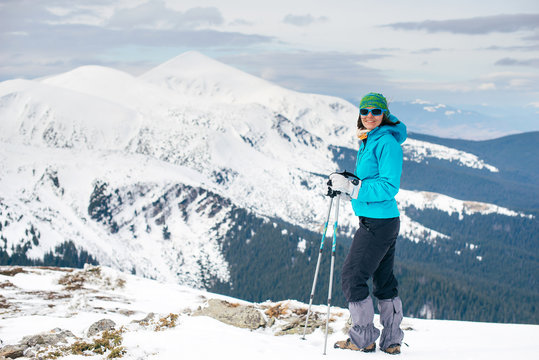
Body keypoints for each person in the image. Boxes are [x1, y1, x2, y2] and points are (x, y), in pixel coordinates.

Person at [329, 92, 406, 355]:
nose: (369, 116)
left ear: (384, 113)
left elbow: (388, 186)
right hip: (381, 221)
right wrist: (347, 187)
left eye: (375, 111)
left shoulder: (387, 143)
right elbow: (367, 181)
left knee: (352, 277)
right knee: (383, 281)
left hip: (377, 223)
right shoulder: (370, 139)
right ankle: (392, 340)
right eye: (364, 111)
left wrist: (354, 188)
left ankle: (362, 339)